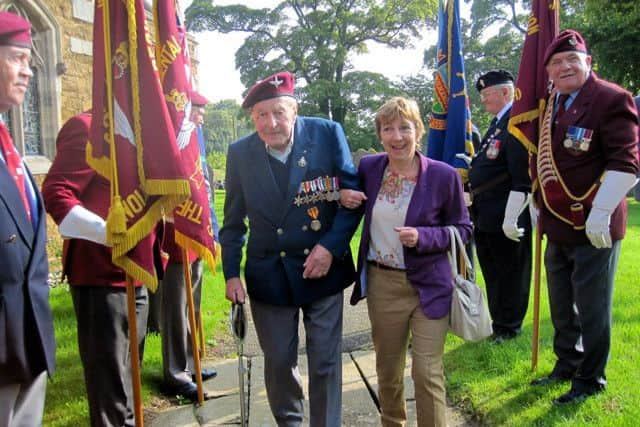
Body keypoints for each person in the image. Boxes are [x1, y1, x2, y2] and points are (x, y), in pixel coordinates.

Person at [219, 71, 361, 426]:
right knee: (280, 361)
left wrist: (329, 247)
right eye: (261, 115)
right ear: (253, 118)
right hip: (270, 274)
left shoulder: (327, 135)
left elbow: (351, 198)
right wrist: (231, 274)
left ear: (294, 110)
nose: (271, 123)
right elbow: (233, 222)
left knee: (325, 359)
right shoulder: (239, 153)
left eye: (279, 112)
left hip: (323, 268)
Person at [343, 97, 472, 427]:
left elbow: (463, 229)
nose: (397, 136)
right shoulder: (370, 169)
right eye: (388, 129)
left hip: (430, 284)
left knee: (427, 371)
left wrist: (424, 237)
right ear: (380, 135)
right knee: (388, 371)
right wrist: (344, 195)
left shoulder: (443, 176)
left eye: (405, 127)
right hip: (384, 284)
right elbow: (348, 198)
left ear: (419, 131)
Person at [529, 30, 639, 405]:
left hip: (595, 225)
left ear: (588, 63)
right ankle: (567, 364)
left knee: (592, 307)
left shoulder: (610, 98)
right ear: (548, 72)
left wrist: (602, 211)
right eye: (556, 63)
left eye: (571, 60)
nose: (564, 68)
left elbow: (627, 162)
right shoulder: (550, 104)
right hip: (557, 222)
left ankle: (591, 379)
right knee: (562, 304)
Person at [42, 112, 149, 426]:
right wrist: (111, 236)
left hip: (138, 269)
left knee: (129, 380)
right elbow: (57, 193)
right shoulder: (87, 127)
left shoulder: (147, 129)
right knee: (109, 389)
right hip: (101, 274)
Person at [0, 11, 56, 426]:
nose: (28, 71)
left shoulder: (9, 143)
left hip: (28, 335)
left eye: (30, 61)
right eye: (18, 57)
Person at [158, 91, 217, 402]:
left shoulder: (197, 143)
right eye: (197, 111)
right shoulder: (171, 143)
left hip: (195, 233)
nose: (202, 117)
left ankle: (191, 363)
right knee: (175, 309)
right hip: (177, 234)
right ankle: (175, 371)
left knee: (191, 305)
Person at [468, 70, 532, 343]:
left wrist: (512, 217)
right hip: (486, 212)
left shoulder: (515, 124)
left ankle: (510, 326)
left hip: (507, 211)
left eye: (486, 95)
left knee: (510, 272)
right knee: (493, 271)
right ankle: (499, 322)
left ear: (506, 92)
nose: (482, 101)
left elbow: (522, 177)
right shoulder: (497, 124)